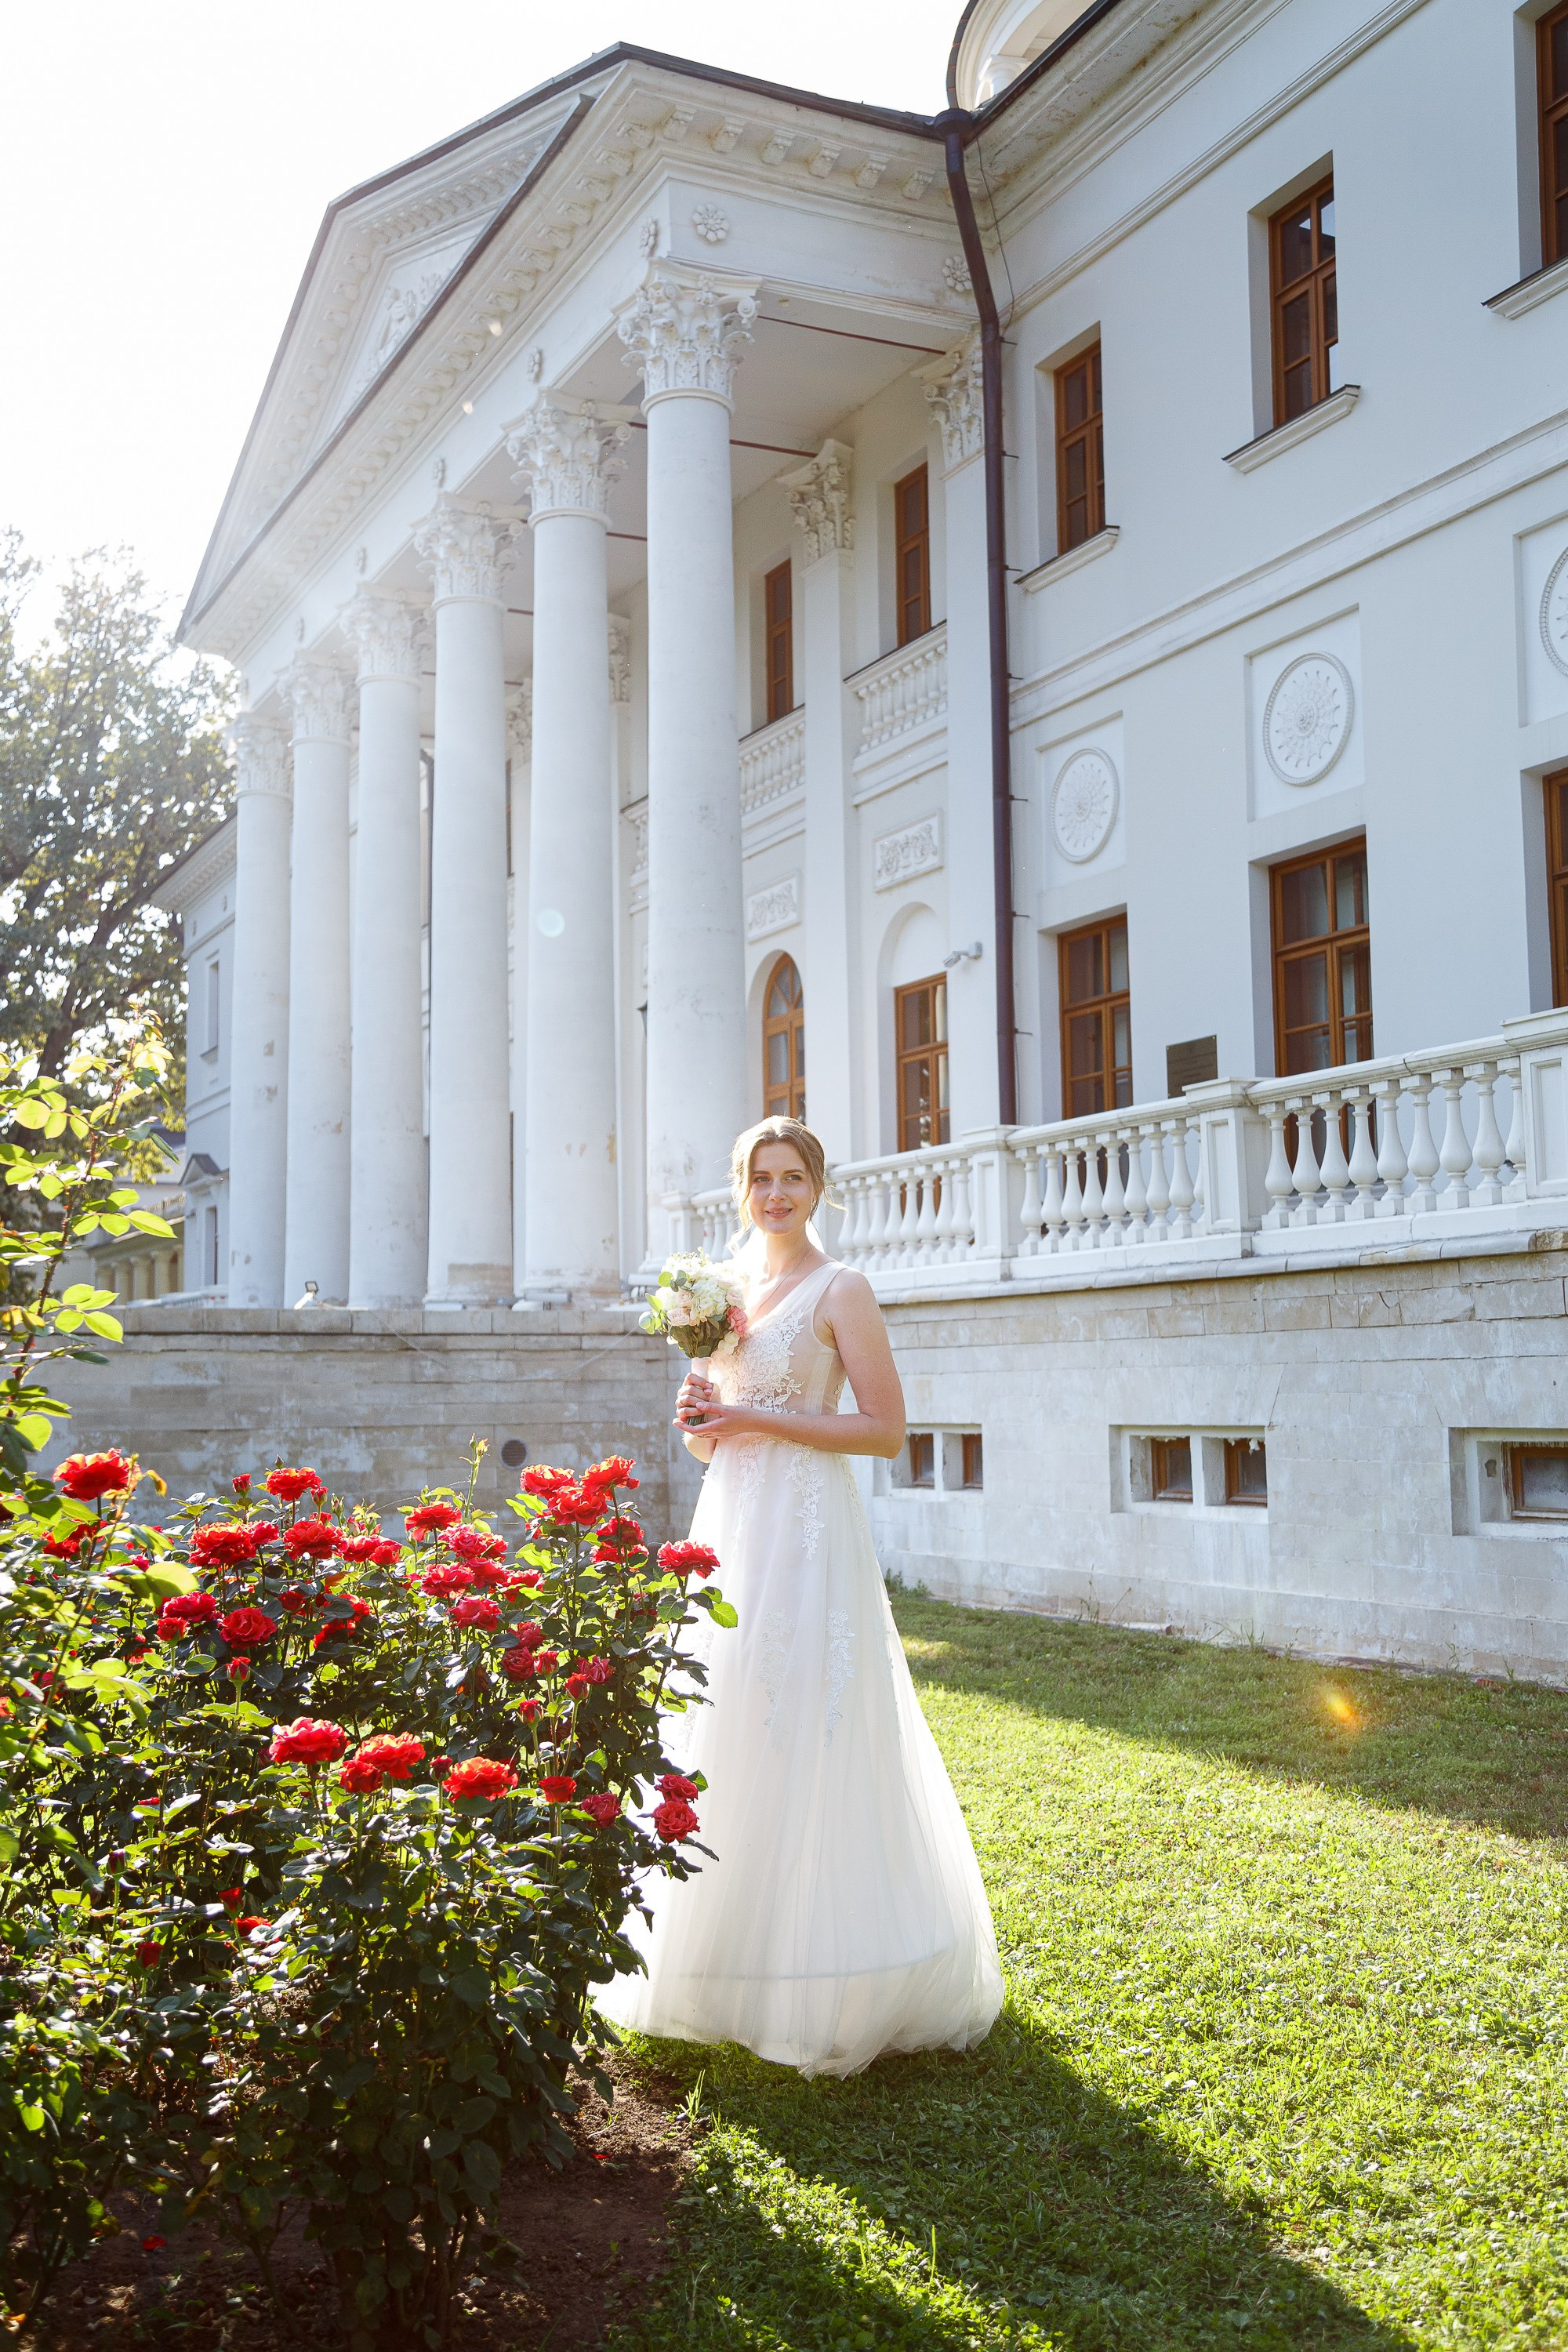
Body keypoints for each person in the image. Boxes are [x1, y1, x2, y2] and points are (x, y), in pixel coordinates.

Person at [597, 1116, 1003, 2078]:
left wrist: (748, 1414)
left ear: (817, 1187)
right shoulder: (718, 1293)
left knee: (809, 1713)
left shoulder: (840, 1289)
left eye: (791, 1178)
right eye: (758, 1178)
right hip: (731, 1520)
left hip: (809, 1525)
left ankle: (831, 1965)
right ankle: (721, 1955)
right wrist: (700, 1419)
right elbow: (706, 1437)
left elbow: (883, 1430)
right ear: (740, 1188)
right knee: (723, 1704)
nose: (774, 1194)